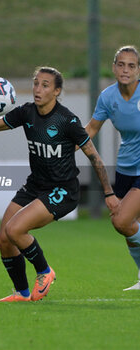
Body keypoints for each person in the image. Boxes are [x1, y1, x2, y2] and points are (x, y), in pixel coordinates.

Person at [0, 66, 118, 302]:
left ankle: (45, 271)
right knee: (4, 240)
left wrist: (109, 193)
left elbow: (95, 157)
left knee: (15, 229)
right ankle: (22, 292)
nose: (38, 89)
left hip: (63, 190)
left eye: (45, 85)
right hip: (35, 185)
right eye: (36, 83)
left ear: (57, 91)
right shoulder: (27, 113)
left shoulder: (67, 120)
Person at [85, 46, 140, 290]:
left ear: (138, 70)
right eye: (121, 64)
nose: (125, 70)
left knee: (121, 220)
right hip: (126, 167)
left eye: (131, 65)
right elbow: (92, 129)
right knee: (130, 229)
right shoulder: (108, 97)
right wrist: (66, 148)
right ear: (114, 67)